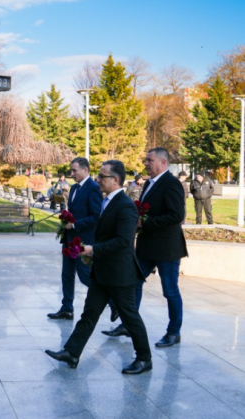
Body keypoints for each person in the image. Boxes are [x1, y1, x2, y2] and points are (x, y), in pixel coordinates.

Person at [45, 160, 152, 375]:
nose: (98, 180)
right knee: (89, 314)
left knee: (130, 317)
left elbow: (124, 241)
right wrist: (92, 253)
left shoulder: (126, 206)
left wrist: (92, 249)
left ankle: (144, 358)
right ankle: (72, 352)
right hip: (103, 272)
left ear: (115, 180)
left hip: (120, 274)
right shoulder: (107, 201)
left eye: (102, 176)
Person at [103, 148, 187, 348]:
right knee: (133, 283)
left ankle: (174, 332)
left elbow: (177, 216)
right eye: (146, 160)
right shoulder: (149, 182)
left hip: (167, 248)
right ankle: (129, 324)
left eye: (149, 160)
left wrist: (145, 223)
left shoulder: (172, 183)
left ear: (163, 162)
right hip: (147, 246)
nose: (146, 164)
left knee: (170, 291)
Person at [47, 157, 118, 321]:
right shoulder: (74, 188)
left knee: (85, 276)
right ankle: (67, 308)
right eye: (71, 170)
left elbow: (95, 216)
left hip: (83, 240)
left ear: (85, 170)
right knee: (67, 275)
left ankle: (113, 302)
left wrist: (74, 225)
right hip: (69, 239)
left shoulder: (93, 188)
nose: (71, 174)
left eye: (74, 170)